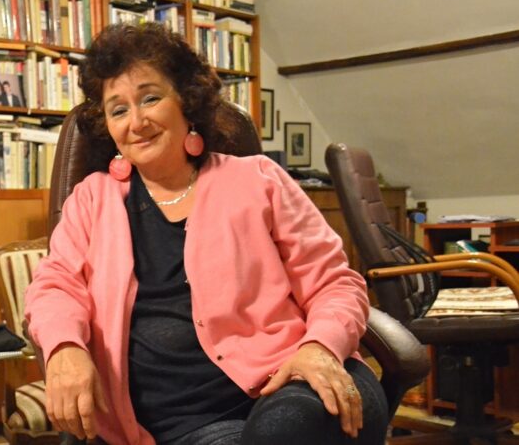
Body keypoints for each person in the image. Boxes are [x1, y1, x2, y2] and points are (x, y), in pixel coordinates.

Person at [24, 22, 389, 445]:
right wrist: (64, 347)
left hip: (285, 385)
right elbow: (54, 286)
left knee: (295, 423)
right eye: (118, 109)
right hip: (173, 422)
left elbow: (335, 284)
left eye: (150, 98)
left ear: (186, 100)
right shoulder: (92, 199)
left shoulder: (258, 179)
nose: (136, 121)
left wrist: (320, 347)